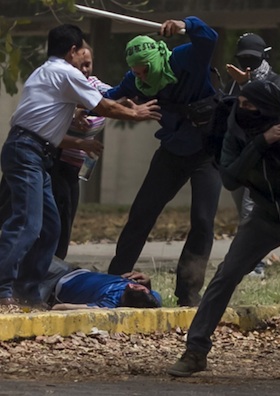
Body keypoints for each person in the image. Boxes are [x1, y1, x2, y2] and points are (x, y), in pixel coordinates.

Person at [167, 80, 280, 381]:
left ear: (268, 108)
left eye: (251, 105)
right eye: (241, 103)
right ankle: (195, 351)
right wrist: (261, 142)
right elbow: (230, 178)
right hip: (263, 219)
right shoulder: (235, 137)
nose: (243, 109)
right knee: (225, 277)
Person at [0, 24, 160, 309]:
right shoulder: (65, 72)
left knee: (50, 226)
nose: (84, 66)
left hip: (37, 152)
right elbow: (102, 106)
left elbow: (98, 102)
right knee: (26, 223)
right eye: (82, 57)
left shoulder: (46, 71)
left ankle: (27, 290)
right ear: (72, 51)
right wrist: (135, 113)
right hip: (27, 152)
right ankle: (3, 289)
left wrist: (117, 103)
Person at [105, 17, 222, 308]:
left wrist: (185, 24)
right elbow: (107, 98)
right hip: (172, 151)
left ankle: (188, 291)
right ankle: (114, 282)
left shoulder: (186, 58)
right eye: (136, 73)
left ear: (154, 60)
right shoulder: (135, 79)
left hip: (207, 152)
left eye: (143, 72)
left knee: (203, 221)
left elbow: (209, 37)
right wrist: (81, 105)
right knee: (141, 214)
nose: (141, 79)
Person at [225, 32, 280, 278]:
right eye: (243, 58)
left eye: (252, 58)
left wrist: (245, 85)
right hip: (239, 156)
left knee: (251, 212)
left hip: (262, 157)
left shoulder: (275, 80)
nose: (247, 64)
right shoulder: (233, 81)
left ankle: (254, 266)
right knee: (245, 210)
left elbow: (267, 105)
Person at [50, 43, 110, 260]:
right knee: (54, 221)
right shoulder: (63, 86)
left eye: (88, 64)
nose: (84, 70)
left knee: (66, 220)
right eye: (79, 65)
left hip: (76, 167)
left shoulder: (93, 85)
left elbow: (112, 96)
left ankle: (56, 271)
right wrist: (76, 113)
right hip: (55, 163)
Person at [37, 256, 161, 310]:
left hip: (50, 288)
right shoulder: (154, 299)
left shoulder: (107, 305)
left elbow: (57, 308)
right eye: (144, 289)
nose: (129, 283)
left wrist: (92, 309)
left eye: (132, 287)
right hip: (68, 271)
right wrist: (148, 283)